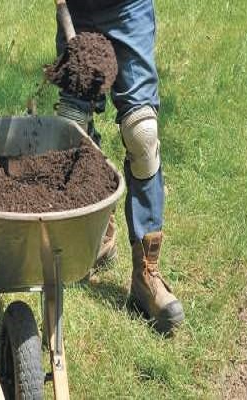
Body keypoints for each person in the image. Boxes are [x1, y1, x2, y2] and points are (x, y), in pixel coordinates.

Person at [55, 0, 184, 335]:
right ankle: (99, 230)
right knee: (74, 129)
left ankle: (146, 274)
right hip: (78, 9)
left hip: (128, 8)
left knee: (142, 134)